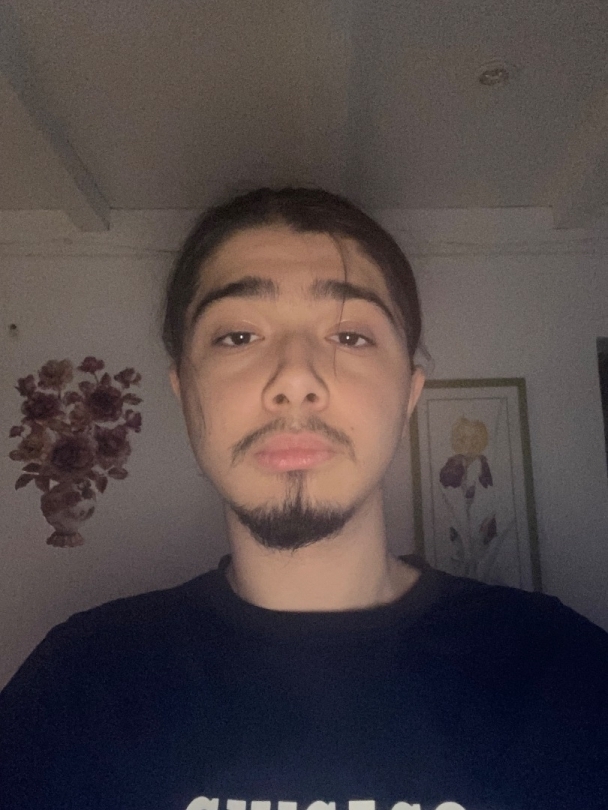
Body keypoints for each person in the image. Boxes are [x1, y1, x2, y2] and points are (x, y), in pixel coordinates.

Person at [0, 188, 607, 810]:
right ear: (185, 394)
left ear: (408, 394)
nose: (295, 379)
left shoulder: (564, 673)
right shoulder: (80, 685)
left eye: (350, 336)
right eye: (238, 336)